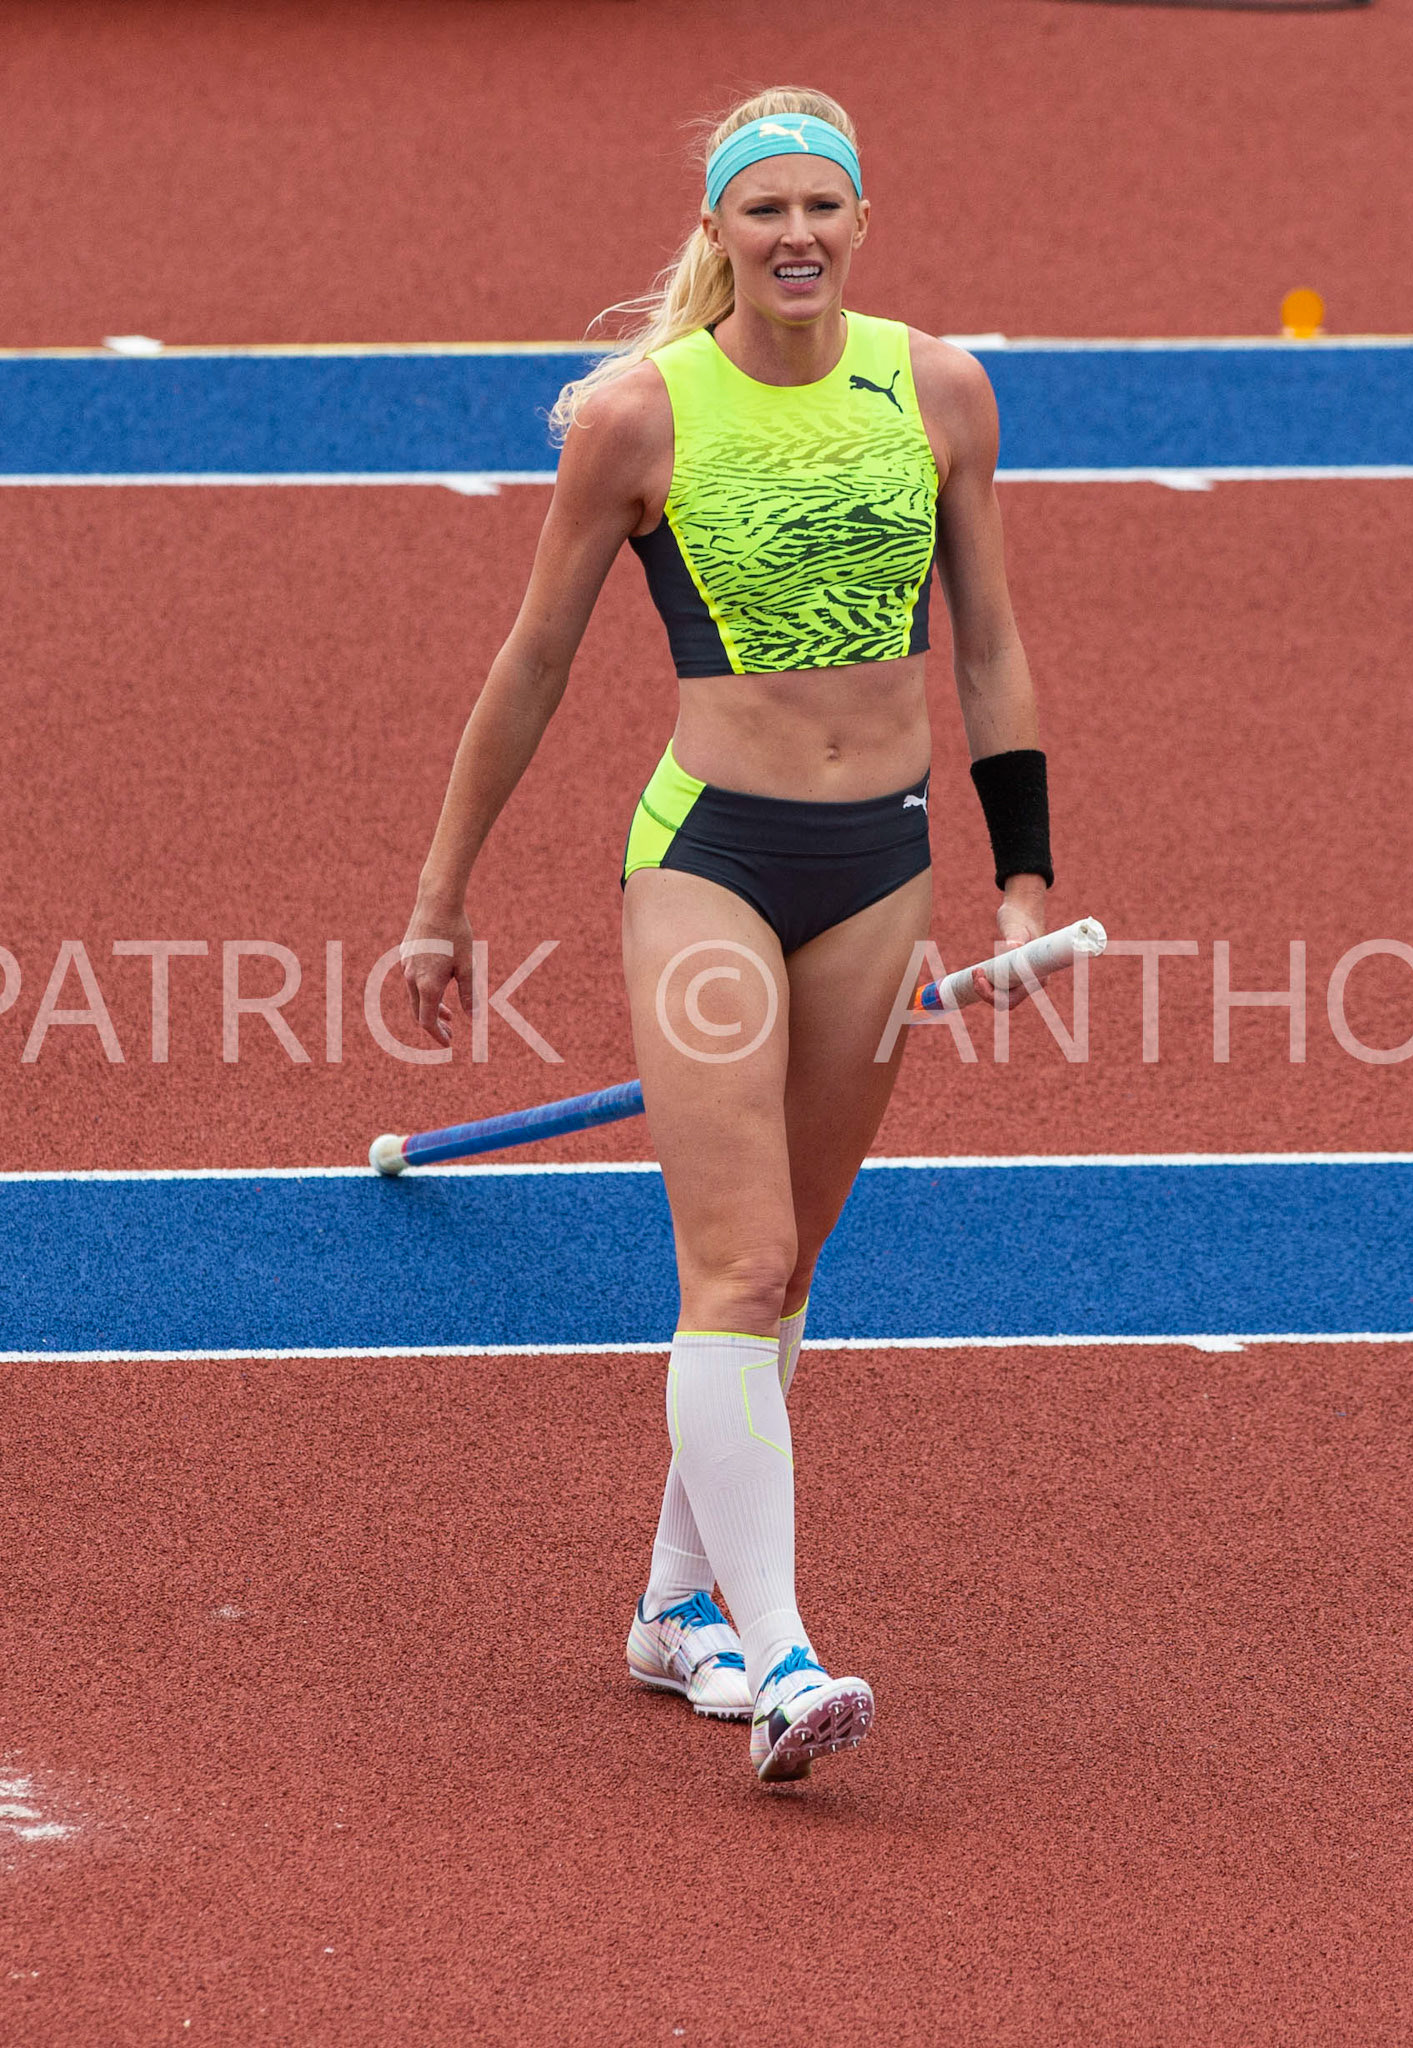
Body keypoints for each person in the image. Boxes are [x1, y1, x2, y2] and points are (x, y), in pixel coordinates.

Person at [398, 86, 1055, 1785]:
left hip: (884, 867)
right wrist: (440, 900)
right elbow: (531, 663)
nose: (797, 238)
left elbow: (989, 648)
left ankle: (674, 1609)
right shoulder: (639, 417)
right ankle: (778, 1661)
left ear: (861, 219)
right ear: (720, 232)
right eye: (763, 211)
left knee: (789, 1275)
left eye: (821, 208)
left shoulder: (940, 389)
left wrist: (1026, 874)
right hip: (712, 860)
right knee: (737, 1263)